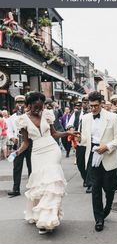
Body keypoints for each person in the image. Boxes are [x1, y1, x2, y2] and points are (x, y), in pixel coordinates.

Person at [14, 91, 77, 235]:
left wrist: (68, 133)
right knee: (41, 184)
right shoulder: (22, 120)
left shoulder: (48, 114)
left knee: (52, 182)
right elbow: (25, 143)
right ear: (28, 105)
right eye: (35, 106)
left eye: (41, 106)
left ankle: (47, 220)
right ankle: (38, 214)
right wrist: (16, 153)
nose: (39, 109)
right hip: (36, 153)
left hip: (52, 150)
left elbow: (54, 134)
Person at [80, 91, 117, 232]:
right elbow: (85, 140)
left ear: (102, 103)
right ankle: (98, 219)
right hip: (93, 155)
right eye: (90, 106)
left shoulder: (113, 117)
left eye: (96, 106)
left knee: (109, 188)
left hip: (108, 155)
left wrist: (107, 147)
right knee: (96, 188)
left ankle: (108, 207)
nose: (93, 109)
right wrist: (78, 139)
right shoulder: (85, 118)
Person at [7, 95, 32, 197]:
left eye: (22, 102)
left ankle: (33, 187)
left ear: (25, 104)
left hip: (29, 143)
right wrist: (12, 138)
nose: (20, 104)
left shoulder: (29, 116)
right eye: (18, 103)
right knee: (17, 167)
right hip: (18, 145)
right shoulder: (11, 118)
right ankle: (16, 188)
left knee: (31, 166)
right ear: (15, 104)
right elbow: (9, 131)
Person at [67, 96, 91, 192]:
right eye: (84, 102)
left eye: (87, 102)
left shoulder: (93, 114)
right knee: (80, 163)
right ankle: (85, 178)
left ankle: (90, 183)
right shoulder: (76, 113)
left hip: (90, 142)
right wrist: (71, 128)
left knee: (89, 163)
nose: (86, 104)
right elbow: (69, 124)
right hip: (80, 141)